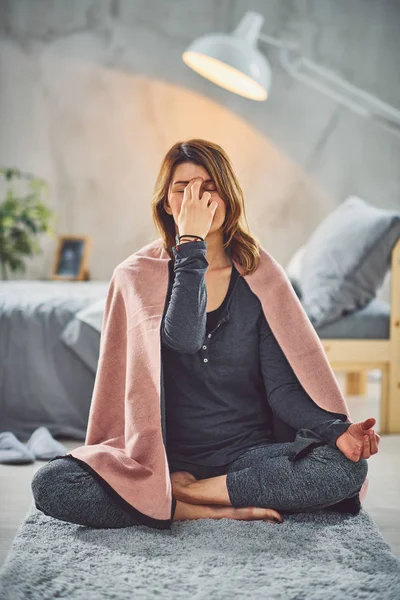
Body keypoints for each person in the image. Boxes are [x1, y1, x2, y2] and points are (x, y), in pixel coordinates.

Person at [31, 139, 379, 528]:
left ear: (229, 196)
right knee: (54, 483)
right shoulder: (135, 276)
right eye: (183, 189)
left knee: (346, 470)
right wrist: (191, 244)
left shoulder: (260, 275)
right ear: (166, 203)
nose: (197, 198)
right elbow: (185, 337)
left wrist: (337, 432)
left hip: (247, 456)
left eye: (209, 186)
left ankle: (192, 494)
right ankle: (195, 506)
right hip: (160, 460)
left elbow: (283, 388)